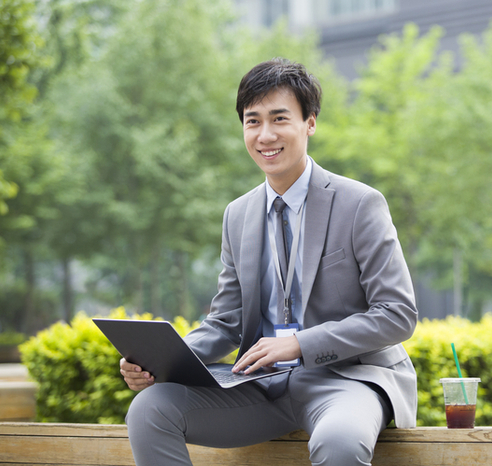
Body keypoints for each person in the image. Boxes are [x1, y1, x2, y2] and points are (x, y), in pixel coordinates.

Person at [120, 58, 418, 466]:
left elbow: (397, 314)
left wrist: (300, 343)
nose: (265, 135)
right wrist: (162, 363)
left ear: (309, 122)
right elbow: (225, 322)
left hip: (348, 379)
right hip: (261, 387)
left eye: (280, 118)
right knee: (150, 409)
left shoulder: (360, 204)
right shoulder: (238, 215)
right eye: (252, 121)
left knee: (340, 442)